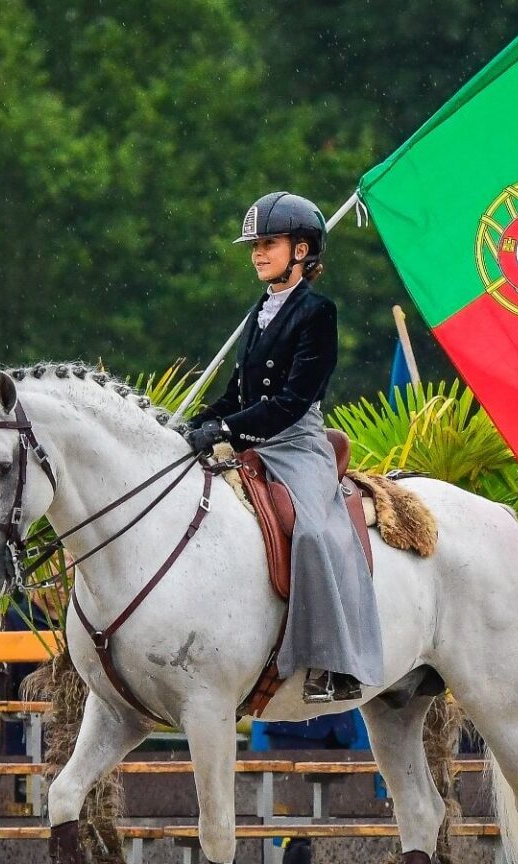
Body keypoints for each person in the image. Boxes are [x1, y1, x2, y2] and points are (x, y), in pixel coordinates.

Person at [184, 191, 384, 704]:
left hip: (297, 445)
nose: (256, 253)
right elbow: (238, 393)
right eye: (255, 245)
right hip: (253, 440)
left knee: (314, 533)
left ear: (301, 250)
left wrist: (228, 431)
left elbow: (294, 399)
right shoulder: (259, 312)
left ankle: (335, 662)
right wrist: (195, 425)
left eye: (267, 243)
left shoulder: (318, 313)